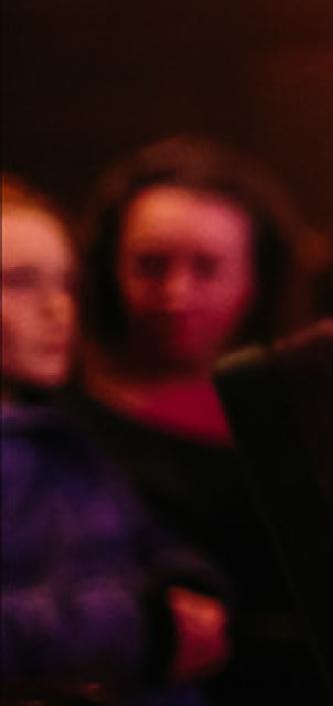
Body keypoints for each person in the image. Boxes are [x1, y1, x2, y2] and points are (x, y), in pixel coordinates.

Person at [66, 137, 328, 704]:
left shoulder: (313, 416)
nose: (175, 294)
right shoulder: (56, 420)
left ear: (254, 278)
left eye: (206, 268)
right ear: (110, 267)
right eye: (150, 265)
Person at [1, 174, 230, 706]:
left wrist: (187, 585)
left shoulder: (63, 429)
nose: (57, 308)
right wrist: (144, 627)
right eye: (19, 281)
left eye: (65, 283)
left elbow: (143, 538)